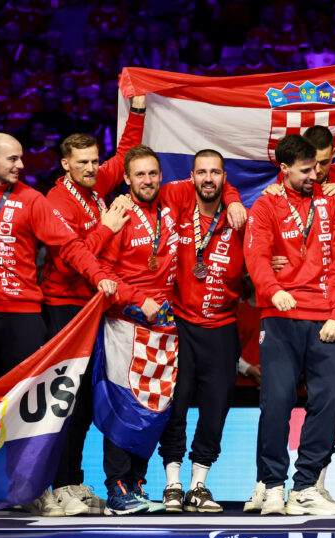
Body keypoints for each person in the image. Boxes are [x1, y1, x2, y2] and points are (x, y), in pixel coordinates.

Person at [96, 145, 243, 515]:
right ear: (126, 179)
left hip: (162, 329)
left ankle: (135, 484)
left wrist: (234, 198)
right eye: (139, 175)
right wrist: (136, 299)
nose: (147, 180)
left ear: (162, 177)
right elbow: (103, 271)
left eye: (152, 174)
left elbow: (214, 181)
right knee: (125, 405)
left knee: (153, 408)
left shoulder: (170, 200)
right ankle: (117, 488)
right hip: (127, 324)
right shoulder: (120, 213)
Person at [0, 132, 117, 386]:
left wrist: (97, 275)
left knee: (24, 395)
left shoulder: (33, 200)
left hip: (24, 315)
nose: (20, 165)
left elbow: (69, 244)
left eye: (20, 158)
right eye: (13, 159)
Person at [38, 106, 145, 517]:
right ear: (65, 164)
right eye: (82, 162)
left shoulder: (96, 183)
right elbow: (69, 260)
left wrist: (138, 110)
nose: (90, 168)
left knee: (83, 403)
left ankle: (71, 481)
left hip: (92, 307)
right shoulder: (56, 202)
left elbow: (125, 154)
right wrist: (107, 227)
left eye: (94, 161)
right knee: (64, 402)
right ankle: (55, 486)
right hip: (64, 310)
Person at [245, 134, 335, 515]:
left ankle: (305, 486)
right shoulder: (265, 205)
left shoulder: (333, 203)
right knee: (276, 402)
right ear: (284, 168)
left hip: (325, 319)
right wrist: (272, 290)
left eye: (317, 168)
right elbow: (256, 255)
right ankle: (273, 485)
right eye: (305, 170)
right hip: (281, 317)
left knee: (328, 402)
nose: (314, 175)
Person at [157, 150, 245, 513]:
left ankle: (198, 485)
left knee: (215, 409)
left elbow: (258, 260)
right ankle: (172, 484)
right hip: (179, 325)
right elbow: (153, 187)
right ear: (192, 176)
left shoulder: (239, 220)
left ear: (225, 177)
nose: (209, 179)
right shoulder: (178, 207)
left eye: (216, 172)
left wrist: (234, 200)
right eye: (202, 172)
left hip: (222, 328)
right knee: (174, 407)